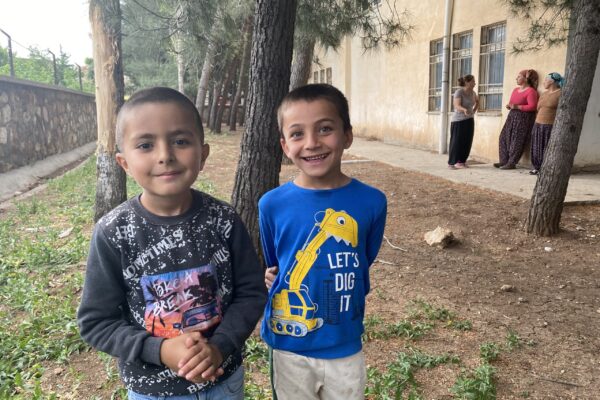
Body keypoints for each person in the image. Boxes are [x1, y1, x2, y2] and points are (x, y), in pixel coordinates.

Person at [77, 87, 267, 400]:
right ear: (124, 163)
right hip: (153, 391)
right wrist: (160, 349)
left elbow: (251, 293)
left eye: (180, 141)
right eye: (146, 144)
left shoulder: (224, 220)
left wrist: (219, 348)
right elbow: (97, 322)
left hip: (224, 381)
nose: (165, 155)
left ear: (202, 154)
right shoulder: (113, 233)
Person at [259, 84, 387, 400]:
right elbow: (277, 261)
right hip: (290, 349)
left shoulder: (372, 202)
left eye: (325, 129)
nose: (312, 143)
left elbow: (362, 257)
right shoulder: (271, 204)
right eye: (298, 134)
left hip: (345, 342)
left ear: (347, 135)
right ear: (285, 145)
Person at [494, 69, 539, 170]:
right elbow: (512, 102)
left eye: (519, 76)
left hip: (524, 118)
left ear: (526, 78)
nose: (516, 78)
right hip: (512, 116)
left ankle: (512, 162)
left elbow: (533, 106)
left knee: (517, 140)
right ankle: (503, 160)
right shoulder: (515, 90)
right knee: (503, 137)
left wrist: (518, 107)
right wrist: (510, 106)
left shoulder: (531, 91)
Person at [529, 72, 564, 175]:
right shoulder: (544, 94)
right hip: (538, 123)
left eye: (546, 80)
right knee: (536, 146)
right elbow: (538, 108)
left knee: (546, 147)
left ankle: (545, 168)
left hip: (550, 125)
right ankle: (536, 167)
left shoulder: (560, 93)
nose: (543, 82)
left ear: (552, 81)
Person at [448, 74, 479, 169]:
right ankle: (452, 163)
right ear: (467, 82)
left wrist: (474, 111)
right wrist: (464, 109)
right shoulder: (459, 92)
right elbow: (456, 105)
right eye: (473, 81)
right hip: (458, 120)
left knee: (467, 141)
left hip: (469, 119)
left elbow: (477, 102)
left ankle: (461, 162)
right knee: (456, 141)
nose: (475, 83)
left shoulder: (473, 93)